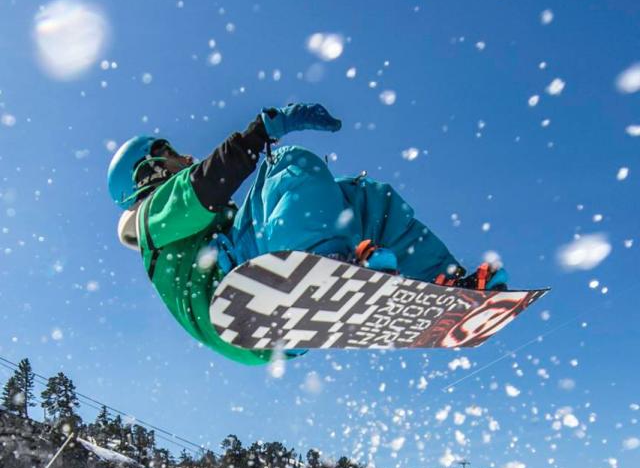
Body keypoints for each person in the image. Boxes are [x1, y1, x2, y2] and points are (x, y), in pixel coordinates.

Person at [108, 103, 508, 367]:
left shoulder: (184, 224)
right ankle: (329, 267)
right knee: (289, 164)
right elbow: (204, 186)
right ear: (149, 171)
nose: (186, 157)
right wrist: (257, 134)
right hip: (234, 293)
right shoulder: (151, 219)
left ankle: (446, 282)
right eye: (172, 152)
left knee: (363, 198)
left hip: (264, 319)